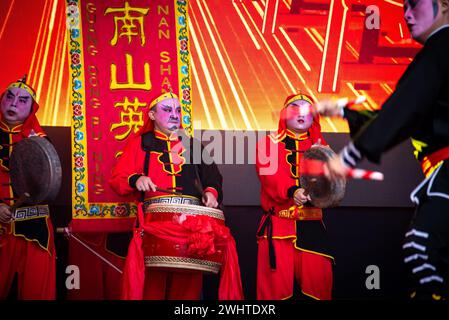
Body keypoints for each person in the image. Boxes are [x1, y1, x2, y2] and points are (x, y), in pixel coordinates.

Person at [316, 0, 449, 300]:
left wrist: (348, 156)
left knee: (422, 249)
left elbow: (402, 111)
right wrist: (342, 111)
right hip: (441, 172)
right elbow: (409, 115)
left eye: (415, 5)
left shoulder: (441, 48)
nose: (407, 15)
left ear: (442, 5)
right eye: (403, 7)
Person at [109, 91, 243, 300]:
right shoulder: (139, 145)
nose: (174, 114)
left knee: (186, 291)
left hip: (191, 228)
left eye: (178, 110)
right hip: (155, 226)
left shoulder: (193, 145)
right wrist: (136, 179)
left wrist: (210, 192)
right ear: (152, 115)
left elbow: (213, 178)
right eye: (167, 109)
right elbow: (118, 178)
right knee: (151, 288)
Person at [255, 93, 334, 300]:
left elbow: (333, 188)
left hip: (312, 225)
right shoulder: (267, 144)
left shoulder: (322, 147)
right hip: (279, 225)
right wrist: (293, 191)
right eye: (295, 107)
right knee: (273, 293)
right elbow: (270, 175)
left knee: (319, 288)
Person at [0, 76, 56, 299]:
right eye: (9, 97)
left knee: (37, 291)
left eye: (22, 100)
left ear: (32, 109)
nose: (14, 104)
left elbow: (49, 186)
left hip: (35, 227)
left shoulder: (41, 142)